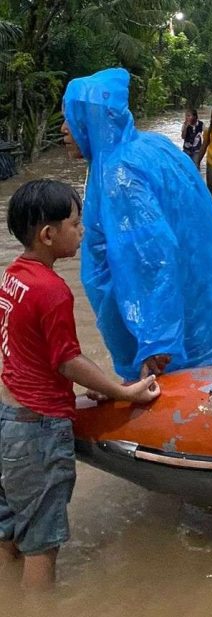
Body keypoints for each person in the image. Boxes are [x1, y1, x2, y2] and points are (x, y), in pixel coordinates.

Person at [0, 180, 161, 590]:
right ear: (48, 235)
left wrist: (95, 384)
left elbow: (27, 352)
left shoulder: (13, 278)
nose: (83, 230)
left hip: (8, 419)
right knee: (41, 544)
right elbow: (67, 359)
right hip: (37, 431)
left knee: (8, 529)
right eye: (75, 222)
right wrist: (121, 390)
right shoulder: (52, 290)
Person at [61, 68, 212, 382]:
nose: (64, 129)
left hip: (181, 354)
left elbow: (151, 259)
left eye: (72, 119)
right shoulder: (153, 146)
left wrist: (157, 345)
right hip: (208, 325)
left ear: (92, 121)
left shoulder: (119, 174)